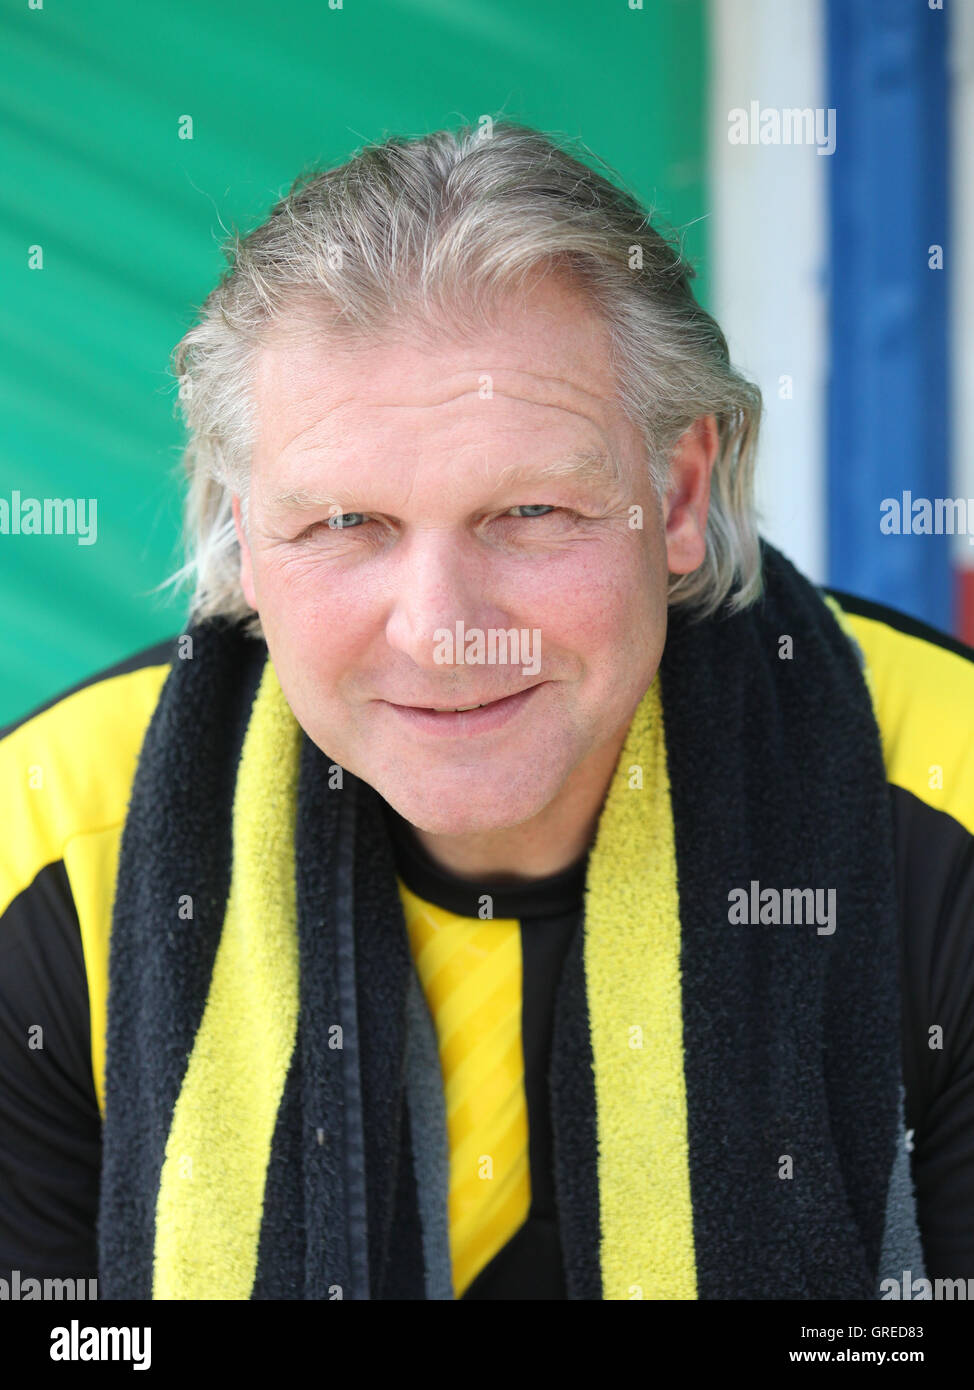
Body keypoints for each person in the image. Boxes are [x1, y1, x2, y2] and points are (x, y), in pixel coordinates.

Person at [2, 122, 973, 1301]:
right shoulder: (48, 836)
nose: (439, 628)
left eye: (528, 510)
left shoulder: (945, 784)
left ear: (675, 493)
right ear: (242, 537)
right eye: (344, 524)